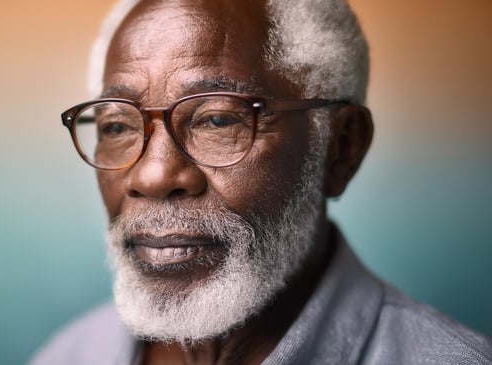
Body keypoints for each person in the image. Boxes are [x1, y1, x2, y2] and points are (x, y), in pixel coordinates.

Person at [31, 0, 492, 364]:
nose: (152, 175)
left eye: (216, 120)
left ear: (341, 149)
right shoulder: (69, 355)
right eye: (117, 126)